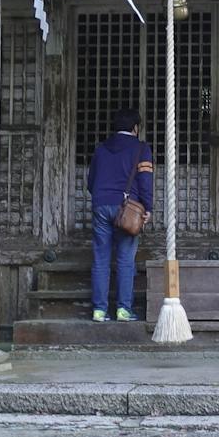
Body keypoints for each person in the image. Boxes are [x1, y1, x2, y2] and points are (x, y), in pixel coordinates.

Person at [87, 107, 155, 322]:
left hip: (100, 205)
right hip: (126, 208)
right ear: (136, 128)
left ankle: (99, 310)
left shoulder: (101, 149)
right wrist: (148, 207)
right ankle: (123, 309)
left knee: (101, 258)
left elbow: (91, 182)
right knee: (125, 259)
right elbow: (145, 181)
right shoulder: (141, 148)